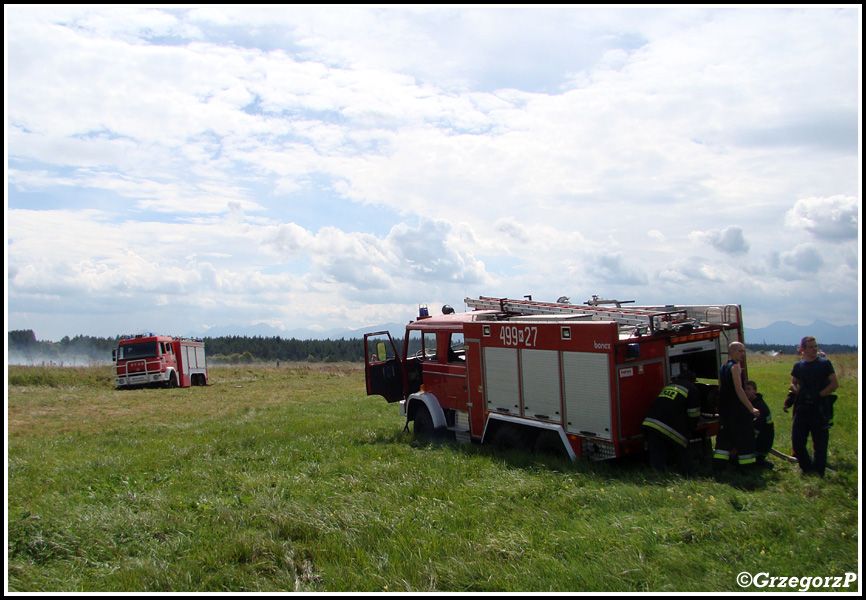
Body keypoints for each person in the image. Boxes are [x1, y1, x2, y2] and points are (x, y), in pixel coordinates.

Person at [788, 336, 838, 477]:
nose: (815, 349)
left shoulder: (825, 364)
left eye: (816, 346)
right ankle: (807, 468)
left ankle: (818, 472)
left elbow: (834, 384)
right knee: (797, 442)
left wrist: (819, 395)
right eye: (811, 347)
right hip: (802, 408)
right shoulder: (799, 366)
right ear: (803, 349)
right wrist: (797, 391)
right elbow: (793, 383)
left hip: (820, 408)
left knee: (820, 444)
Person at [642, 369, 701, 475]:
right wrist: (690, 430)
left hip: (651, 423)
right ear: (693, 381)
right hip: (669, 425)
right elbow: (694, 414)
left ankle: (658, 474)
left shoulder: (669, 386)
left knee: (656, 451)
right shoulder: (692, 390)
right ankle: (687, 473)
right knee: (683, 444)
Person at [713, 342, 761, 471]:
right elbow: (739, 390)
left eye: (744, 351)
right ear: (732, 351)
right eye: (740, 351)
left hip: (725, 411)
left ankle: (719, 467)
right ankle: (748, 469)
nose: (743, 354)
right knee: (745, 438)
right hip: (736, 410)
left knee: (724, 439)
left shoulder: (723, 367)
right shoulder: (735, 368)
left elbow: (721, 389)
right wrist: (751, 408)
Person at [745, 380, 775, 469]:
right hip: (759, 442)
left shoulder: (760, 407)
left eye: (748, 389)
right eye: (745, 390)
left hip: (762, 443)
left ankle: (763, 463)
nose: (746, 392)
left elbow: (755, 431)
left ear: (755, 391)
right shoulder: (751, 404)